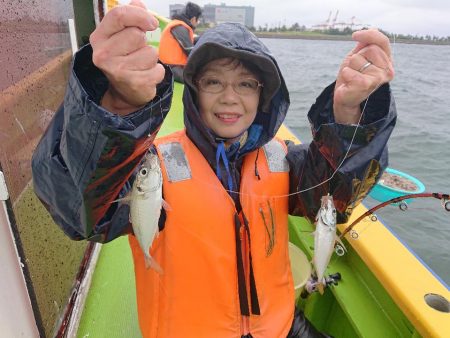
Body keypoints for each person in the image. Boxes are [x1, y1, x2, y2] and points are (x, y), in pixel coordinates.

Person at [31, 1, 396, 337]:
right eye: (213, 82)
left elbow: (333, 194)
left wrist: (352, 116)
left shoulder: (283, 159)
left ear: (263, 96)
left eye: (246, 84)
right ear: (193, 91)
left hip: (280, 324)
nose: (229, 97)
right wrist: (115, 108)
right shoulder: (151, 164)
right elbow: (78, 211)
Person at [159, 1, 202, 83]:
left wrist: (204, 37)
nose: (197, 23)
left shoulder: (179, 26)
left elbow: (192, 40)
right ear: (193, 19)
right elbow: (190, 51)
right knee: (198, 81)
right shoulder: (180, 27)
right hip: (172, 68)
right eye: (198, 20)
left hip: (173, 67)